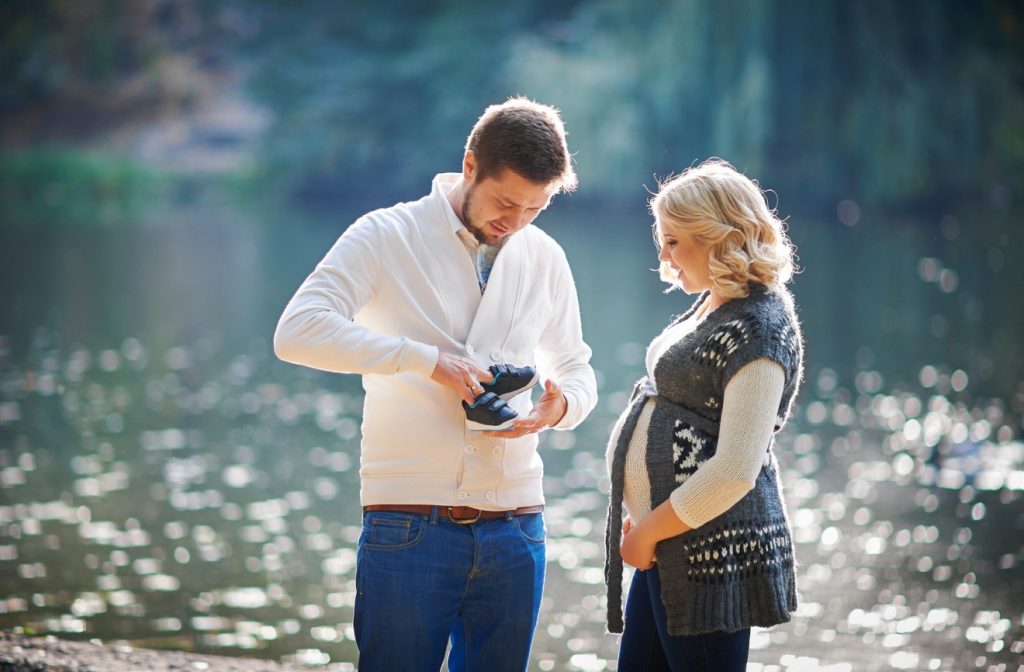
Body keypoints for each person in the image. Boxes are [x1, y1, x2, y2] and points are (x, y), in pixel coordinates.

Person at [274, 97, 597, 672]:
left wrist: (561, 405)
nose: (516, 223)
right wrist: (425, 361)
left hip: (518, 521)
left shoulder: (545, 255)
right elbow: (297, 332)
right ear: (470, 165)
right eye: (505, 202)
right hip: (409, 519)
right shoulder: (384, 233)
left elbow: (576, 365)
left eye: (535, 208)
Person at [604, 159, 804, 671]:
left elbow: (737, 469)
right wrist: (645, 519)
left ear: (718, 237)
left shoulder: (760, 327)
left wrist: (648, 530)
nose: (664, 254)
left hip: (709, 556)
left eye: (675, 240)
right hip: (670, 543)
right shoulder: (717, 302)